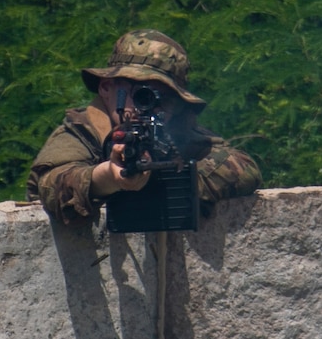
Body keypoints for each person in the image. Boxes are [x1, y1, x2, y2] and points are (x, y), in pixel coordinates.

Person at [27, 29, 262, 226]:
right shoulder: (82, 132)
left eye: (165, 98)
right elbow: (50, 185)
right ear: (107, 88)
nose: (149, 107)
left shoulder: (175, 131)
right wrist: (108, 176)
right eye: (140, 94)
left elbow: (243, 165)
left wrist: (177, 183)